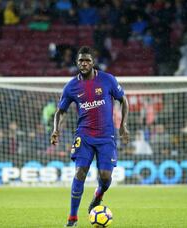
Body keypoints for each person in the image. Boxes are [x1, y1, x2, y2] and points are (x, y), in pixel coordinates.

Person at [50, 46, 129, 227]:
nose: (83, 63)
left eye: (87, 60)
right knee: (80, 173)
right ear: (77, 63)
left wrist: (123, 125)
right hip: (84, 135)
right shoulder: (71, 86)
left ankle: (98, 195)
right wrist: (56, 130)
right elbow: (60, 111)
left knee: (106, 177)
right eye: (80, 61)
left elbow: (123, 100)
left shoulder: (107, 80)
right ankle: (72, 218)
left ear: (93, 62)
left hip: (106, 136)